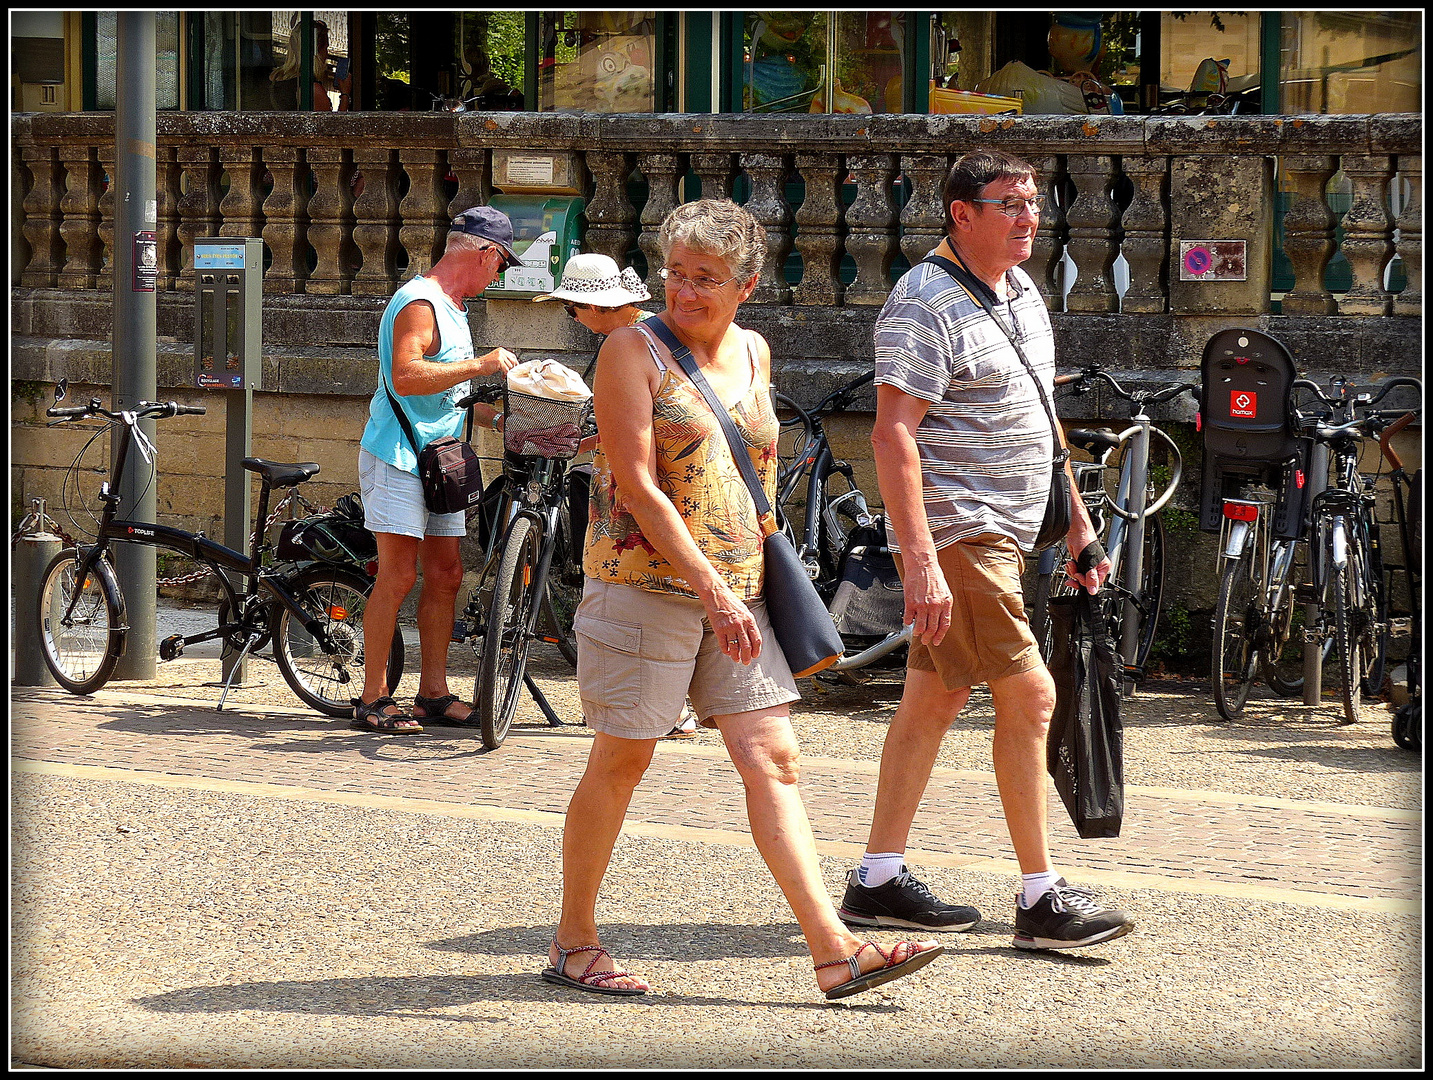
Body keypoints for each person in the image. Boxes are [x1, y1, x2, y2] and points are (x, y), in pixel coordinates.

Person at [541, 198, 943, 1001]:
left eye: (708, 280)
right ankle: (574, 941)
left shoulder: (756, 351)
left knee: (773, 758)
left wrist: (747, 584)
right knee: (622, 760)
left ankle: (834, 951)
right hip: (644, 586)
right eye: (677, 275)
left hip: (739, 592)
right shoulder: (630, 349)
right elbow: (639, 486)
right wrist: (711, 588)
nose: (686, 293)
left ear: (747, 285)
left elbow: (756, 472)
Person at [839, 150, 1135, 951]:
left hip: (1012, 527)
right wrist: (922, 560)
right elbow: (891, 434)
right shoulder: (921, 303)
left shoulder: (1022, 288)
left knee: (931, 699)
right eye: (1008, 204)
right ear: (959, 213)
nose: (1027, 218)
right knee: (1031, 696)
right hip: (959, 532)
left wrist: (1074, 520)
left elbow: (1042, 418)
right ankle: (1039, 901)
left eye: (1033, 203)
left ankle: (875, 880)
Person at [353, 206, 522, 733]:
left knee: (446, 574)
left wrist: (507, 420)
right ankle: (372, 697)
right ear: (484, 253)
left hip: (440, 458)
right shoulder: (420, 301)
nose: (498, 276)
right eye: (500, 265)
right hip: (400, 457)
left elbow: (451, 392)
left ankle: (433, 692)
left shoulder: (454, 307)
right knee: (398, 574)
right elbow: (406, 375)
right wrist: (483, 364)